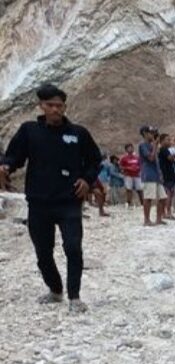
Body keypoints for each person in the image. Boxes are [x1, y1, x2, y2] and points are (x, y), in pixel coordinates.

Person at [0, 84, 101, 314]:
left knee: (73, 247)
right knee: (43, 252)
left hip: (69, 202)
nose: (55, 109)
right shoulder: (29, 131)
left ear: (65, 107)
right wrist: (6, 166)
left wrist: (87, 180)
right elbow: (14, 157)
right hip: (38, 202)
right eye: (50, 105)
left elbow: (95, 161)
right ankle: (55, 290)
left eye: (59, 105)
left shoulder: (78, 134)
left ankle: (75, 296)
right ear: (42, 106)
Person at [138, 126, 165, 226]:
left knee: (162, 197)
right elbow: (151, 158)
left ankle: (158, 219)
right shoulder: (143, 145)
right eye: (151, 133)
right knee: (148, 198)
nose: (153, 135)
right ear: (145, 133)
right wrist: (155, 145)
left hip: (156, 174)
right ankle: (147, 220)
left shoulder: (150, 145)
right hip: (148, 174)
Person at [158, 134, 175, 220]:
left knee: (169, 193)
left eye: (170, 140)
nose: (169, 142)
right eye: (167, 140)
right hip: (167, 175)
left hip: (169, 174)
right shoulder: (163, 150)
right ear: (161, 141)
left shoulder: (166, 150)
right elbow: (170, 158)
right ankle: (167, 212)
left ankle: (165, 212)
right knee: (168, 194)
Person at [119, 143, 142, 207]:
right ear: (126, 150)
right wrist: (127, 168)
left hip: (137, 175)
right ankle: (129, 203)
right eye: (129, 148)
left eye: (131, 147)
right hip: (128, 175)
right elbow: (120, 166)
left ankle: (142, 203)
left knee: (140, 189)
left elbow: (141, 165)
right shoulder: (124, 158)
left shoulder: (137, 157)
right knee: (129, 189)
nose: (130, 149)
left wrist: (139, 169)